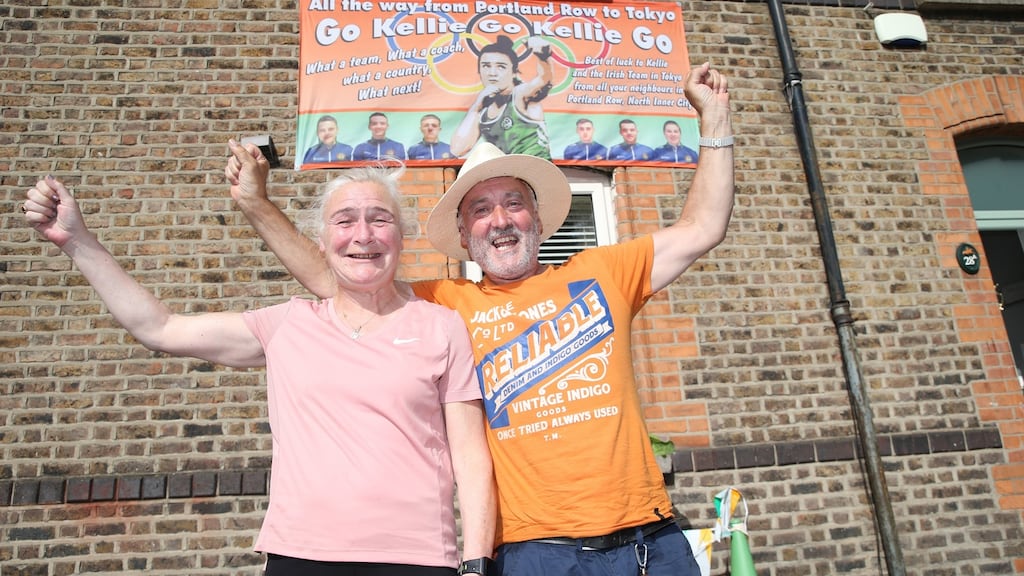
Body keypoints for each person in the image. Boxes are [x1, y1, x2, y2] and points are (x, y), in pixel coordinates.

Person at [228, 61, 733, 576]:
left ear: (537, 219)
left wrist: (714, 119)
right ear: (465, 237)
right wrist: (257, 205)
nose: (500, 220)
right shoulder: (441, 305)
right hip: (537, 552)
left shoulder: (606, 271)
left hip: (650, 542)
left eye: (513, 203)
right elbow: (337, 277)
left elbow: (703, 226)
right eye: (480, 210)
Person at [21, 157, 496, 576]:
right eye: (344, 220)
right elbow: (159, 327)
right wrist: (76, 240)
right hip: (300, 555)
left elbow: (471, 459)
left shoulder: (441, 326)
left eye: (380, 219)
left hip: (416, 559)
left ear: (401, 234)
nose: (363, 235)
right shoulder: (288, 324)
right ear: (322, 238)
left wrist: (475, 564)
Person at [450, 35, 555, 160]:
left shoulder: (521, 94)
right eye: (486, 66)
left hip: (537, 171)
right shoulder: (483, 110)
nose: (492, 73)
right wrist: (476, 107)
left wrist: (543, 57)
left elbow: (543, 79)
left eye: (501, 66)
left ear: (514, 72)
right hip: (510, 174)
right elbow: (458, 149)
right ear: (479, 71)